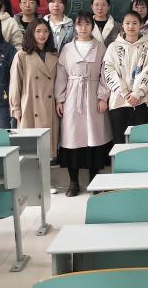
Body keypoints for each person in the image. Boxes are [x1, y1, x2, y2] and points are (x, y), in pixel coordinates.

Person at [55, 12, 111, 197]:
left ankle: (94, 181)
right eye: (80, 24)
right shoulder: (67, 48)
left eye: (87, 24)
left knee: (94, 137)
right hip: (72, 96)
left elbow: (106, 73)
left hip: (93, 96)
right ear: (75, 27)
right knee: (72, 138)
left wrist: (103, 97)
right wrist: (60, 98)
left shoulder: (100, 47)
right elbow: (61, 74)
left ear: (92, 26)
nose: (83, 28)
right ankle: (73, 182)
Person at [103, 11, 148, 145]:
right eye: (127, 23)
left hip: (141, 100)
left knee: (141, 139)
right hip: (119, 100)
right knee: (120, 138)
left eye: (135, 23)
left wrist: (137, 93)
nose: (131, 26)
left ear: (141, 25)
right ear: (122, 25)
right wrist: (125, 93)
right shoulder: (113, 47)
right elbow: (108, 70)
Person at [9, 19, 60, 154]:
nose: (42, 35)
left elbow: (59, 81)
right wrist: (16, 109)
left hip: (50, 106)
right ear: (31, 33)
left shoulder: (54, 54)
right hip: (30, 105)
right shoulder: (22, 55)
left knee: (47, 151)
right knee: (30, 150)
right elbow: (15, 84)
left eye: (46, 31)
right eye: (38, 31)